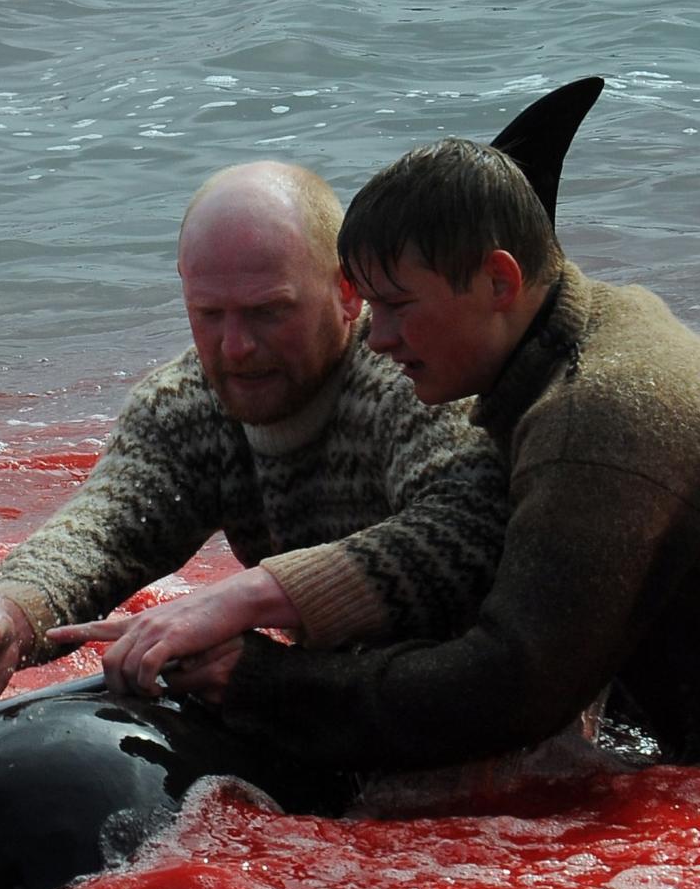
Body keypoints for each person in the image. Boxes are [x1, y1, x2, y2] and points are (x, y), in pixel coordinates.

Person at [104, 135, 700, 769]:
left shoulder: (592, 417)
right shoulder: (598, 330)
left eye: (395, 305)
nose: (378, 338)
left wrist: (258, 680)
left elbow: (510, 692)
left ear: (500, 279)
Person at [0, 161, 509, 720]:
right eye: (208, 314)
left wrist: (238, 602)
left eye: (268, 312)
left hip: (485, 677)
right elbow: (103, 530)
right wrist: (12, 614)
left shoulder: (416, 377)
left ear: (347, 292)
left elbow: (462, 534)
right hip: (350, 678)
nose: (235, 348)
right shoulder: (185, 406)